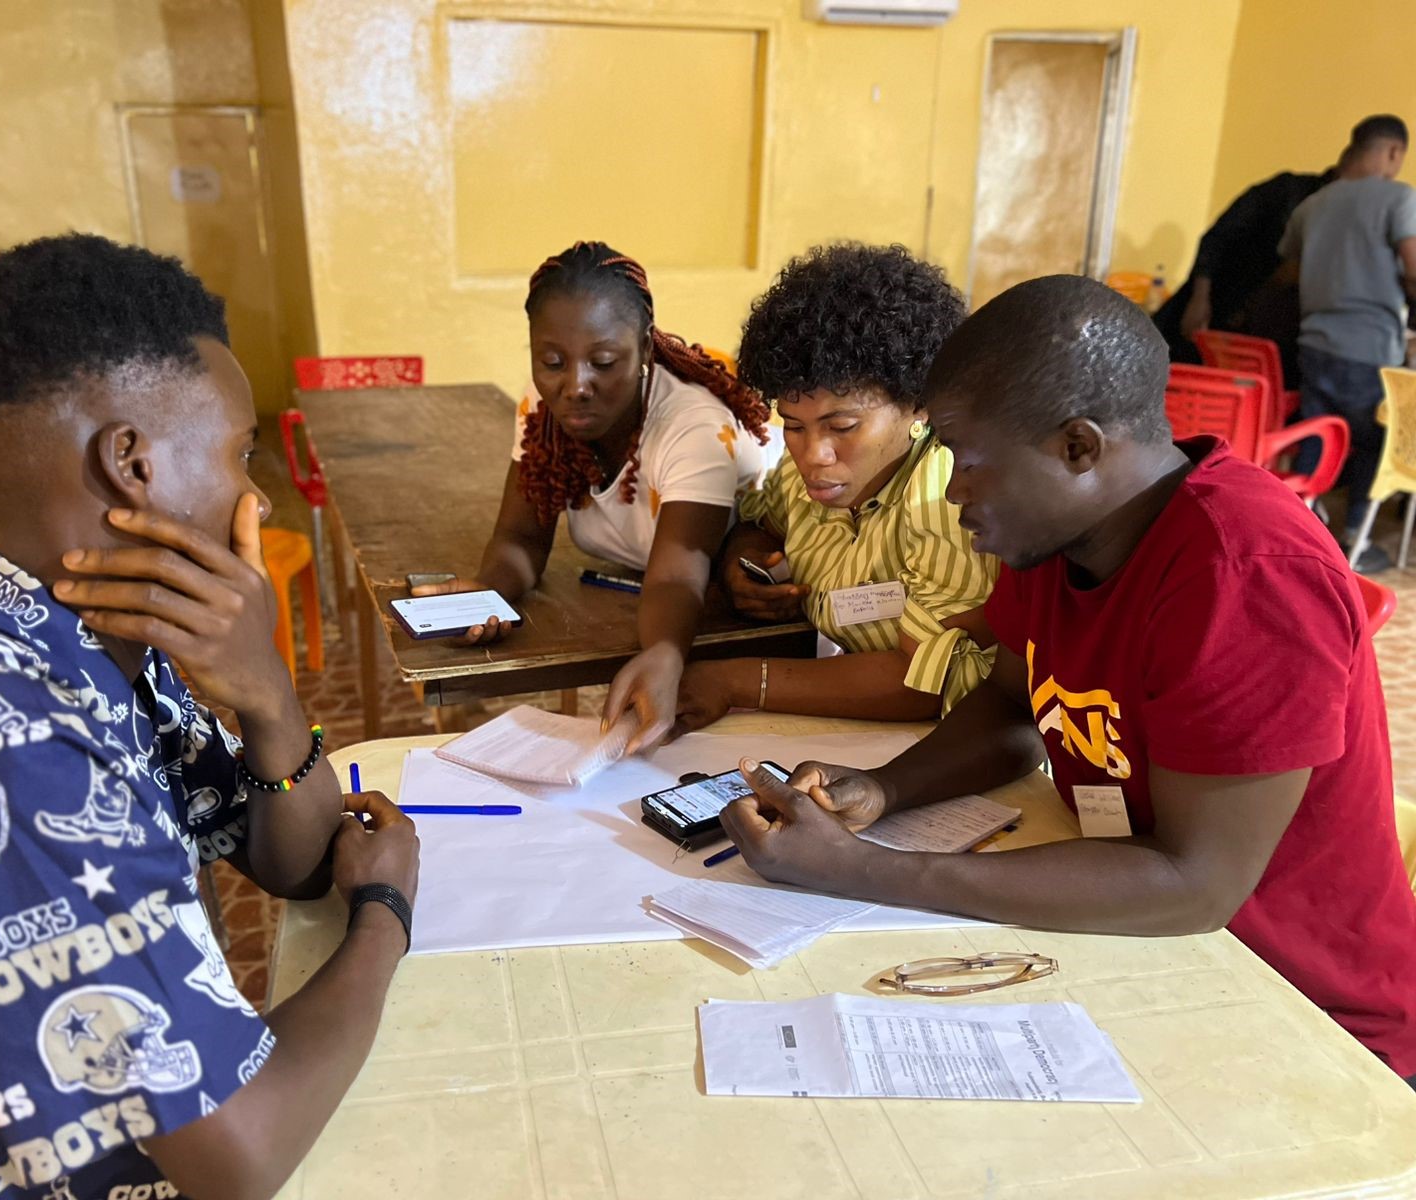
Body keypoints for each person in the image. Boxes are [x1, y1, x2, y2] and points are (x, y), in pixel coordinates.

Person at [0, 234, 421, 1198]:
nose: (255, 497)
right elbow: (239, 1156)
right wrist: (385, 920)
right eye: (236, 453)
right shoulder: (6, 746)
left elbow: (293, 863)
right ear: (132, 463)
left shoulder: (87, 635)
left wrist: (266, 691)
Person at [718, 274, 1416, 1084]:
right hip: (1151, 947)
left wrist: (866, 870)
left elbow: (1196, 886)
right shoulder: (1057, 535)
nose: (955, 495)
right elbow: (1015, 707)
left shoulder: (1243, 573)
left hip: (1305, 1018)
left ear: (1078, 448)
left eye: (967, 463)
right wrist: (885, 791)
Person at [415, 240, 771, 753]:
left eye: (603, 361)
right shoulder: (543, 408)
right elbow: (521, 536)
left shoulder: (693, 429)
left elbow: (675, 573)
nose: (575, 385)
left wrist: (666, 653)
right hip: (655, 589)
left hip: (738, 605)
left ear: (647, 347)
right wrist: (488, 592)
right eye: (552, 361)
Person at [672, 244, 997, 735]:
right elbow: (762, 521)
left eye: (842, 426)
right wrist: (747, 563)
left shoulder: (947, 494)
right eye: (794, 426)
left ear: (919, 405)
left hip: (952, 741)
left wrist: (740, 680)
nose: (813, 455)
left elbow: (920, 682)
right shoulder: (804, 472)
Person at [1277, 113, 1416, 566]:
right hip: (1370, 346)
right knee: (1376, 440)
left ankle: (1296, 528)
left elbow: (1291, 274)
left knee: (1319, 435)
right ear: (1393, 152)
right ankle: (1355, 537)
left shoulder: (1310, 207)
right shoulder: (1399, 199)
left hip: (1315, 343)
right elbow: (1414, 269)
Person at [1153, 150, 1337, 379]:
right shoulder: (1285, 190)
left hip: (1256, 338)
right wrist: (1200, 297)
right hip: (1212, 310)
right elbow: (1217, 237)